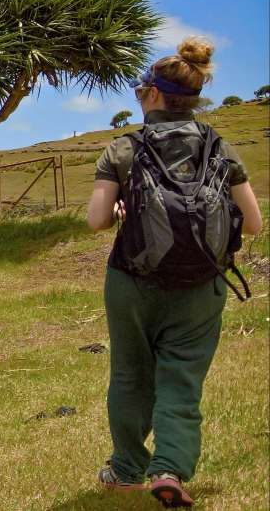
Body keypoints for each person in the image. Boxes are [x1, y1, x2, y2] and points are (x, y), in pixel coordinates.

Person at [85, 37, 262, 508]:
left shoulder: (123, 148)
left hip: (131, 281)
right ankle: (170, 469)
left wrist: (126, 210)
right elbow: (256, 223)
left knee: (129, 374)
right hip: (202, 285)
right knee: (181, 378)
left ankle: (125, 471)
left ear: (153, 95)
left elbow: (95, 220)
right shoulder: (219, 148)